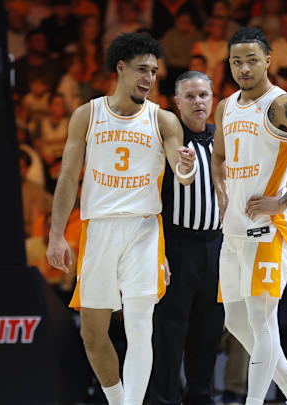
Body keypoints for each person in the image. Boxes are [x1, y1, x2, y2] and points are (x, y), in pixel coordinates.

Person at [46, 33, 197, 405]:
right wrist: (55, 234)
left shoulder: (163, 120)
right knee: (92, 336)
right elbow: (67, 178)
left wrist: (186, 169)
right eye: (142, 70)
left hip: (144, 229)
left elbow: (181, 172)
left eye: (154, 72)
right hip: (98, 228)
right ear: (120, 68)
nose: (149, 78)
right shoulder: (87, 115)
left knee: (140, 327)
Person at [211, 27, 287, 405]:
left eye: (252, 60)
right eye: (236, 61)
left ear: (268, 60)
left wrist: (284, 203)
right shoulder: (226, 105)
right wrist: (221, 194)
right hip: (233, 230)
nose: (244, 68)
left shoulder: (283, 105)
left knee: (262, 323)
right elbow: (218, 157)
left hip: (271, 229)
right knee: (235, 322)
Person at [149, 71, 224, 405]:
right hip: (178, 246)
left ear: (213, 99)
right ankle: (162, 399)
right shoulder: (167, 139)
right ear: (176, 102)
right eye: (190, 96)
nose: (198, 102)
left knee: (208, 333)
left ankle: (200, 398)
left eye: (204, 95)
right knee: (169, 333)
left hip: (217, 247)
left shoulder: (222, 139)